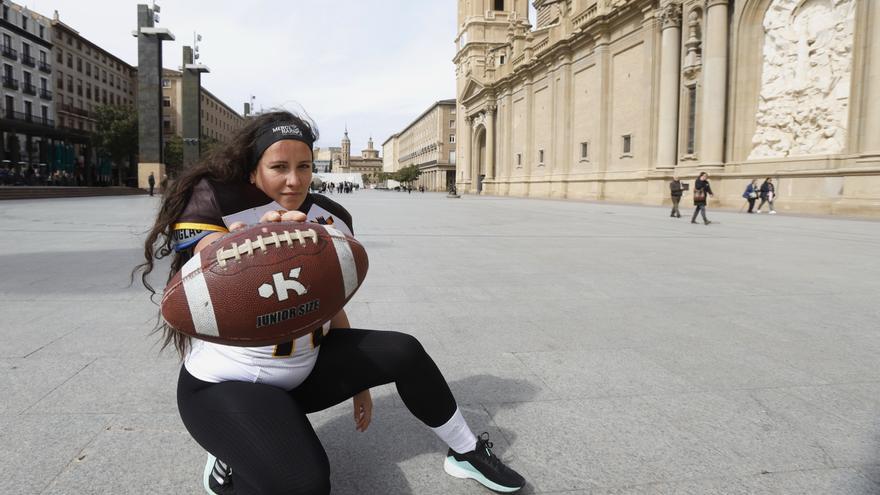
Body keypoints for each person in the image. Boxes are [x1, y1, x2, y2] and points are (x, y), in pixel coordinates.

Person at [134, 110, 525, 495]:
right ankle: (233, 448)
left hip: (304, 367)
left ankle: (466, 450)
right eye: (279, 167)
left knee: (404, 350)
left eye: (304, 166)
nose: (294, 179)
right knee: (306, 484)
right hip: (229, 384)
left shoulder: (329, 217)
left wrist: (361, 383)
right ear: (253, 171)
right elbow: (204, 255)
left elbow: (328, 300)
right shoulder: (216, 201)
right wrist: (242, 244)